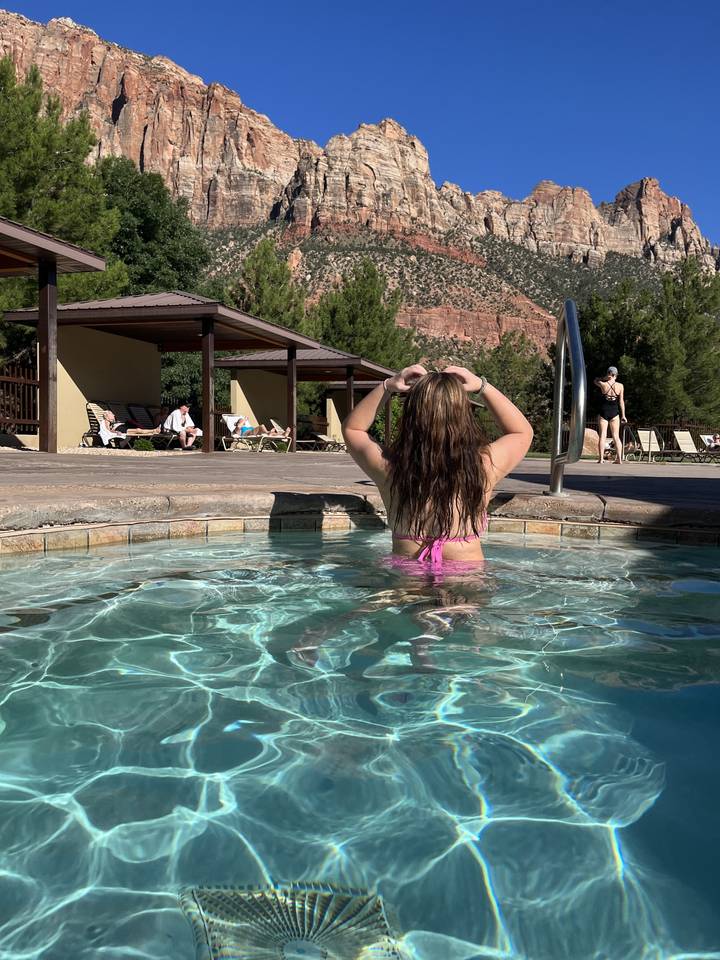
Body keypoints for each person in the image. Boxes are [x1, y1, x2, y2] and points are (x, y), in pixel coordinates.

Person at [342, 365, 533, 566]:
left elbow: (353, 429)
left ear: (411, 416)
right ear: (463, 416)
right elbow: (522, 432)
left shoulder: (391, 468)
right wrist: (481, 386)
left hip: (408, 571)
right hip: (466, 572)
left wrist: (388, 385)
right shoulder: (483, 465)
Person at [593, 366, 626, 464]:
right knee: (616, 436)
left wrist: (604, 378)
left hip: (604, 411)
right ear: (615, 375)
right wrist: (623, 415)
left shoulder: (603, 384)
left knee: (602, 435)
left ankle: (601, 458)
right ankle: (619, 459)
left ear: (608, 374)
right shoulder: (620, 386)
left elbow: (595, 380)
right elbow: (621, 402)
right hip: (614, 412)